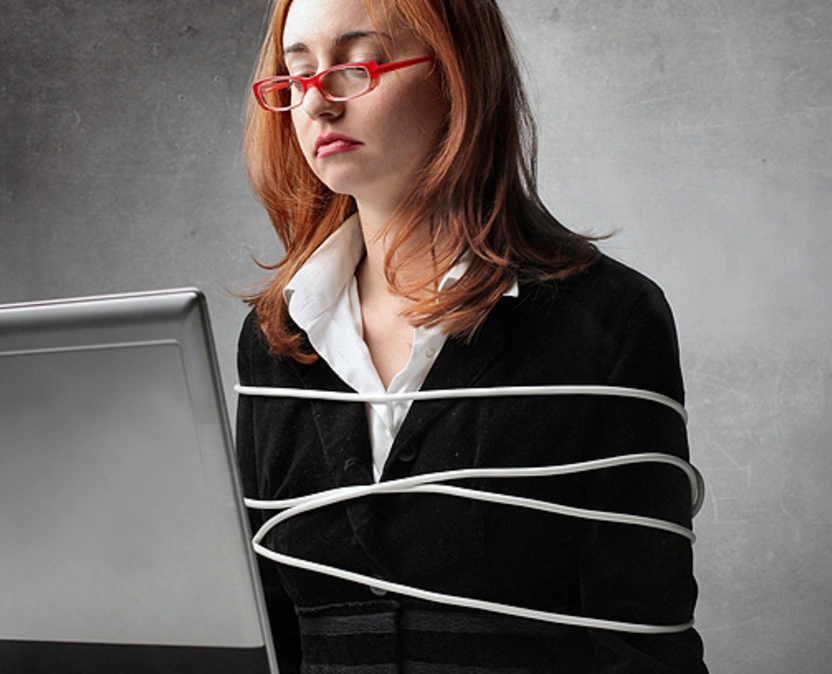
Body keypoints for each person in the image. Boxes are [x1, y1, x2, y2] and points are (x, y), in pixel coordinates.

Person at [234, 0, 709, 671]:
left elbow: (643, 639)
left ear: (459, 73)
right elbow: (265, 626)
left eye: (357, 65)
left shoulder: (609, 318)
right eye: (296, 74)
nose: (316, 103)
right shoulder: (275, 340)